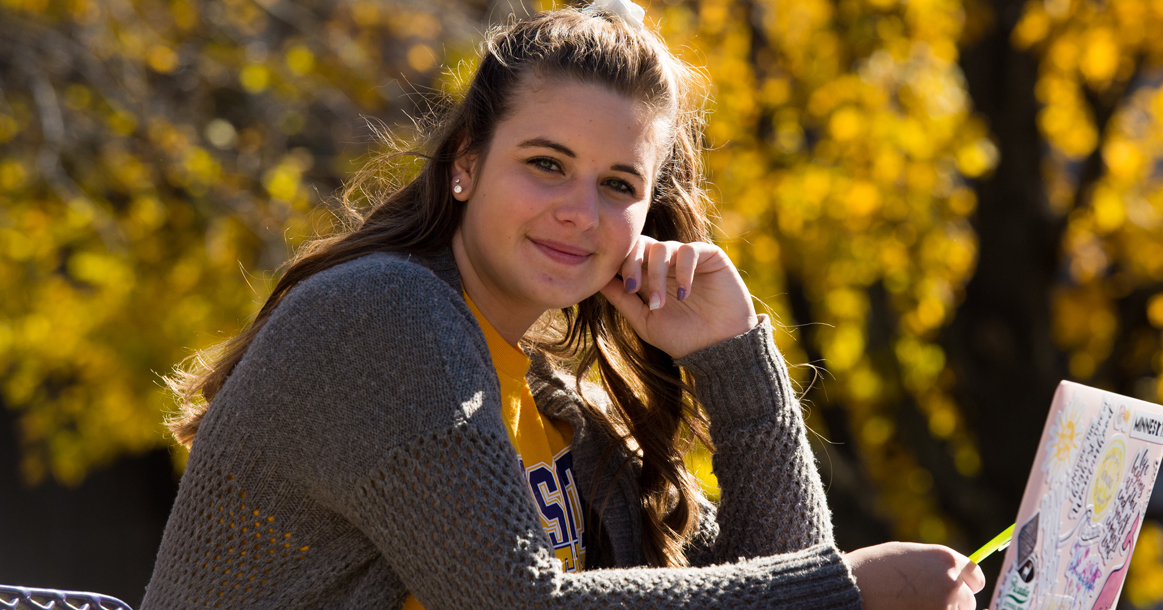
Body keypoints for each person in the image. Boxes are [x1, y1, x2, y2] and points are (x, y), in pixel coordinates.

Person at [141, 4, 984, 609]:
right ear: (465, 163)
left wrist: (733, 357)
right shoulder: (383, 314)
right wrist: (846, 588)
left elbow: (776, 577)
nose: (581, 211)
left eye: (618, 184)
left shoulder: (553, 410)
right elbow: (517, 602)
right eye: (547, 163)